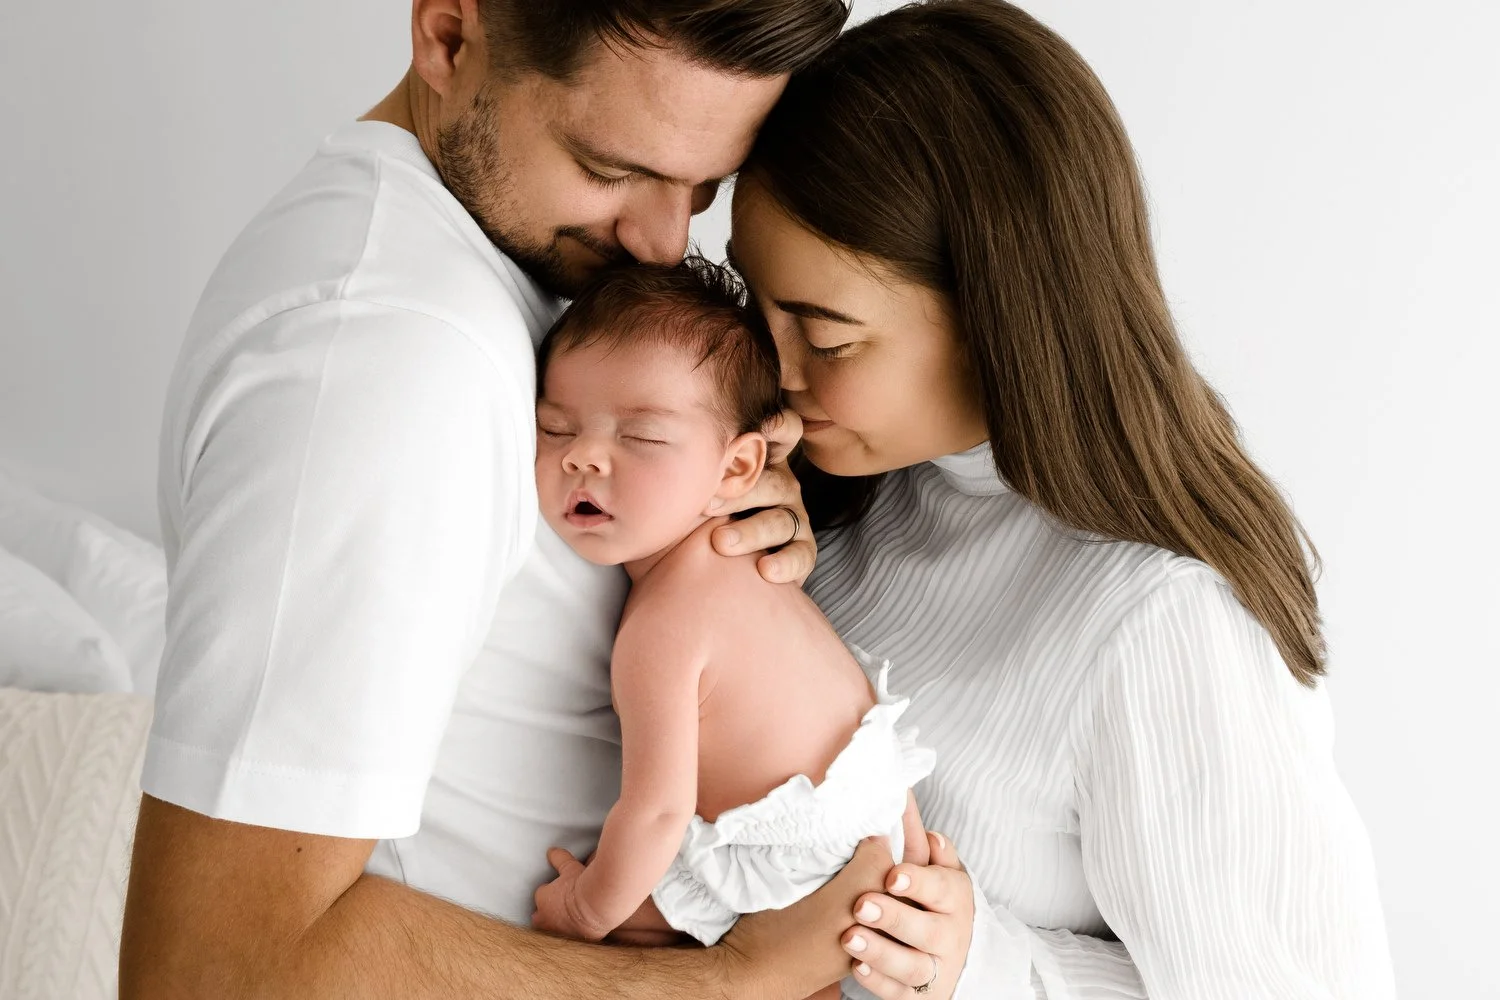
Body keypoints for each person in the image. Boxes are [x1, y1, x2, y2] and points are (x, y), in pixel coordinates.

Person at [118, 3, 884, 998]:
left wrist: (706, 513)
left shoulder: (514, 279)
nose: (661, 241)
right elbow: (211, 970)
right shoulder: (389, 355)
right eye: (616, 170)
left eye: (703, 187)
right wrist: (730, 984)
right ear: (445, 36)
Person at [726, 2, 1398, 997]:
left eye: (825, 338)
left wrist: (986, 966)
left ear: (994, 309)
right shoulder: (837, 499)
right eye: (757, 304)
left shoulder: (1162, 621)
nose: (776, 372)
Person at [525, 260, 934, 1000]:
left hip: (804, 850)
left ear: (736, 467)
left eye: (642, 438)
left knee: (638, 924)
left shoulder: (665, 624)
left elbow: (655, 811)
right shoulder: (741, 563)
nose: (583, 455)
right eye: (555, 428)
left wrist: (583, 912)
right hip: (873, 807)